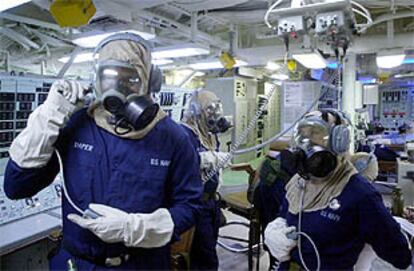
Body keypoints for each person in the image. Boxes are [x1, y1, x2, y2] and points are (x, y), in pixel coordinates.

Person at [4, 33, 202, 270]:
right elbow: (17, 187)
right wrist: (49, 115)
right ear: (95, 79)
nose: (117, 88)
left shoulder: (173, 138)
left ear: (150, 82)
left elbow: (190, 207)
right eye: (108, 77)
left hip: (140, 264)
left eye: (130, 79)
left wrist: (135, 228)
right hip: (76, 263)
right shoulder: (76, 125)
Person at [264, 109, 412, 270]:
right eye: (303, 135)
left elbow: (400, 255)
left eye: (315, 133)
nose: (307, 143)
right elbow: (284, 215)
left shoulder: (360, 193)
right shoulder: (299, 181)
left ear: (339, 140)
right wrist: (275, 229)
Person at [181, 90, 231, 270]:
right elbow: (186, 162)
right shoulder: (184, 133)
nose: (215, 113)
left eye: (217, 107)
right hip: (196, 203)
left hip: (212, 202)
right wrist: (211, 158)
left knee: (209, 247)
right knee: (205, 258)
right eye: (209, 109)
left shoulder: (209, 133)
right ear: (196, 111)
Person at [253, 140, 296, 271]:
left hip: (268, 217)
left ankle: (274, 262)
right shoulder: (280, 171)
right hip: (282, 224)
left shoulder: (265, 167)